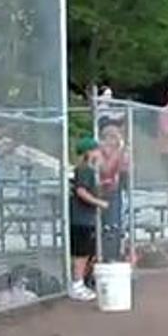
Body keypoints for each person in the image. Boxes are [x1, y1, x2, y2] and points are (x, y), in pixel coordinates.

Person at [69, 137, 109, 302]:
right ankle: (77, 285)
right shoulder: (84, 169)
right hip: (81, 218)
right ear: (88, 152)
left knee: (86, 252)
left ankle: (80, 283)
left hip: (85, 218)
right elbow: (81, 191)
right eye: (96, 150)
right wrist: (99, 202)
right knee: (81, 253)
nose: (99, 153)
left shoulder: (89, 170)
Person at [98, 123, 130, 261]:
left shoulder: (121, 152)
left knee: (117, 225)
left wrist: (123, 150)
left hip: (117, 191)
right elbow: (106, 168)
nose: (114, 141)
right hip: (104, 192)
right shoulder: (100, 153)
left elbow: (126, 169)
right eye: (111, 137)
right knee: (108, 226)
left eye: (115, 138)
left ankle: (116, 254)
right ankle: (107, 255)